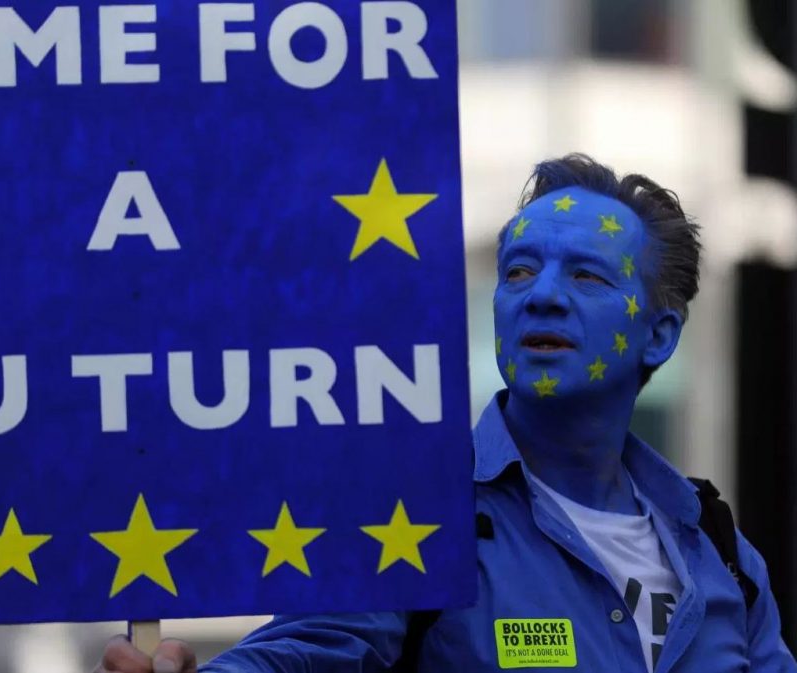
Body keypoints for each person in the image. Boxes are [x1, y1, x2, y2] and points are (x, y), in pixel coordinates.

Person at [94, 155, 797, 673]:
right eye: (519, 270)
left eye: (586, 275)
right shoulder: (412, 511)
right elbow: (302, 654)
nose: (541, 296)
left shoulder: (722, 553)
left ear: (660, 334)